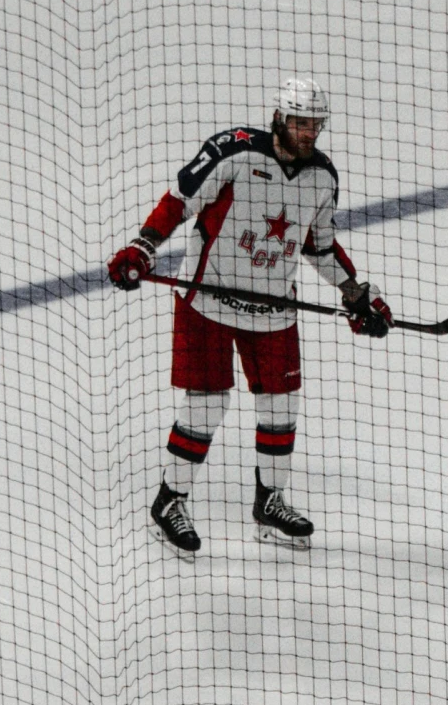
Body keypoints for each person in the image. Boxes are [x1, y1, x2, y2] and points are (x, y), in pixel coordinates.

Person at [106, 81, 392, 556]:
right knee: (206, 405)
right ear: (278, 116)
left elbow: (318, 246)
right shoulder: (232, 151)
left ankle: (269, 504)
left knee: (281, 407)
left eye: (315, 124)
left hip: (274, 308)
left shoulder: (323, 177)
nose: (308, 132)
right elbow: (180, 200)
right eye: (300, 122)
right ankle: (169, 503)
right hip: (206, 302)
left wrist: (356, 294)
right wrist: (144, 246)